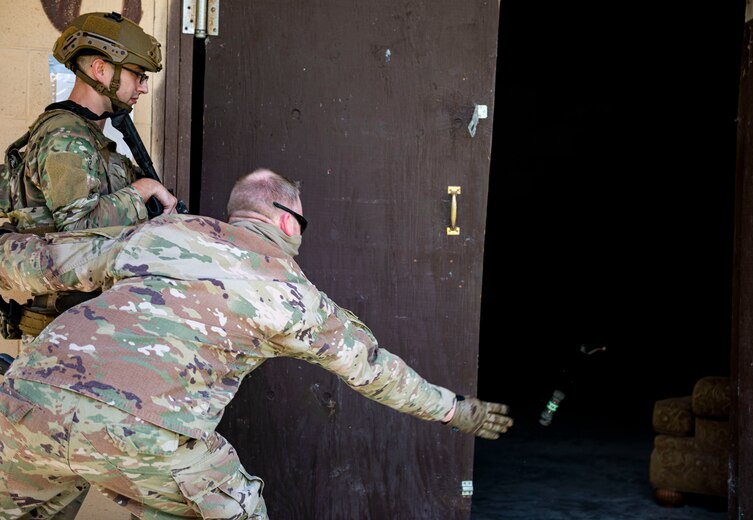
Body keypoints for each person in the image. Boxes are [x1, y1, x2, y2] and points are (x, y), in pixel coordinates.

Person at [0, 168, 513, 519]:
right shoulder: (291, 294)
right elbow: (374, 370)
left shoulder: (163, 233)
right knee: (234, 507)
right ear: (287, 221)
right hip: (143, 431)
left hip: (22, 404)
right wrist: (455, 410)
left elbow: (45, 262)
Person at [0, 11, 177, 343]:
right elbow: (80, 230)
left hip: (87, 321)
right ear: (100, 69)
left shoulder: (93, 139)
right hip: (64, 331)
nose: (143, 87)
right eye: (138, 75)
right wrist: (145, 189)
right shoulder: (65, 136)